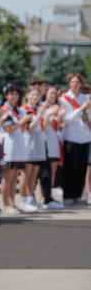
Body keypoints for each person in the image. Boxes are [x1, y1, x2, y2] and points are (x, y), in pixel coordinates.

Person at [0, 84, 32, 214]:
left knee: (15, 176)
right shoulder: (4, 109)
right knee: (8, 176)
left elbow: (22, 128)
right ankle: (5, 205)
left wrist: (24, 120)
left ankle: (12, 203)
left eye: (16, 94)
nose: (13, 96)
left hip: (19, 145)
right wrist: (23, 120)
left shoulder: (18, 110)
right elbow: (9, 129)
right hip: (9, 146)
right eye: (11, 93)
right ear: (6, 96)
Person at [58, 72, 91, 204]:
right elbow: (66, 119)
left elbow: (88, 118)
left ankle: (77, 195)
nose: (75, 84)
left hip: (85, 136)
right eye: (72, 82)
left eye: (77, 82)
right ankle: (68, 195)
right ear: (69, 83)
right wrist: (80, 109)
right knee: (70, 167)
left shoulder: (85, 98)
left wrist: (87, 110)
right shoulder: (64, 99)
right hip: (71, 136)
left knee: (81, 168)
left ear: (81, 84)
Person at [19, 86, 48, 210]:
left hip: (38, 144)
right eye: (33, 95)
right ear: (27, 95)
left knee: (34, 174)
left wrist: (47, 116)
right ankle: (23, 200)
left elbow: (43, 128)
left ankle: (30, 198)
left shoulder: (37, 109)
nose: (35, 97)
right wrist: (40, 113)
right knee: (26, 173)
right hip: (28, 144)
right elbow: (30, 128)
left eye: (37, 95)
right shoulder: (24, 109)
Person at [41, 86, 65, 209]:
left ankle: (49, 195)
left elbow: (57, 126)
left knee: (53, 170)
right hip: (44, 140)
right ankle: (43, 196)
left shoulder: (56, 107)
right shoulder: (42, 106)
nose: (53, 96)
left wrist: (58, 115)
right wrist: (49, 113)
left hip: (54, 139)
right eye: (51, 93)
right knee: (44, 171)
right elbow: (43, 126)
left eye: (55, 94)